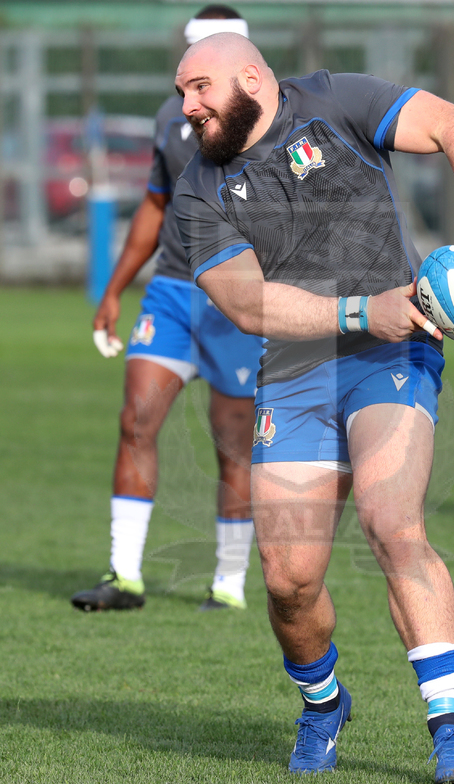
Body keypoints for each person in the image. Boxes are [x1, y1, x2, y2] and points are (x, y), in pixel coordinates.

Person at [173, 33, 454, 784]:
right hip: (297, 371)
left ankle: (450, 724)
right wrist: (366, 308)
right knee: (287, 579)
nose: (188, 106)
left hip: (391, 359)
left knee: (392, 521)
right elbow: (245, 301)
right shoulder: (198, 187)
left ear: (253, 79)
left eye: (200, 88)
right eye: (182, 93)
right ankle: (323, 702)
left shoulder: (338, 101)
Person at [71, 6, 264, 613]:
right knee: (136, 421)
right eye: (187, 67)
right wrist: (113, 288)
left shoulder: (275, 125)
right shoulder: (170, 118)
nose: (190, 87)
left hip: (239, 299)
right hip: (174, 291)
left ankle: (229, 582)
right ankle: (124, 577)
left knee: (234, 441)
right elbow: (155, 206)